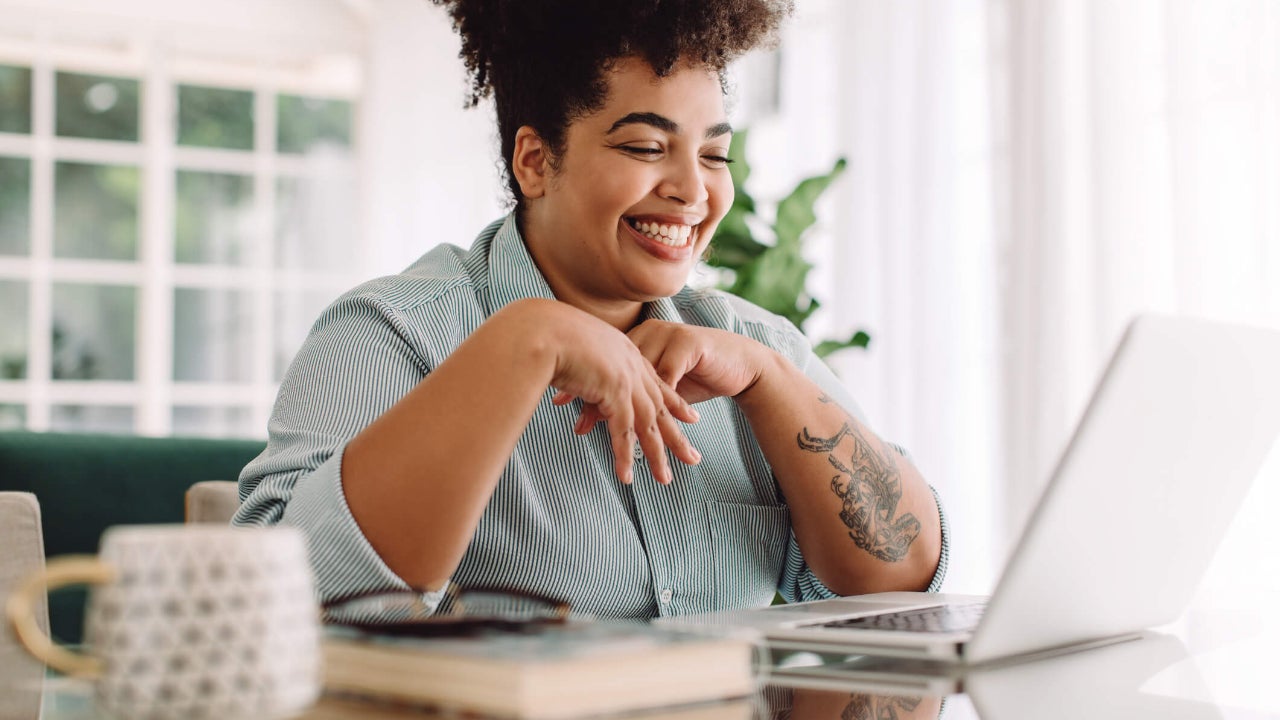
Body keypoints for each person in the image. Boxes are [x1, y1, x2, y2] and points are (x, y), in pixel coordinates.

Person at [234, 0, 948, 620]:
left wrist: (772, 384)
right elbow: (277, 604)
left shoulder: (751, 347)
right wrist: (523, 342)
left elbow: (905, 582)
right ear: (535, 162)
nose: (692, 191)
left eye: (714, 156)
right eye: (645, 146)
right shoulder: (391, 334)